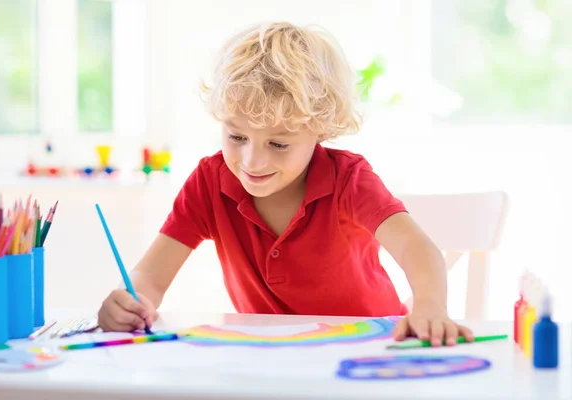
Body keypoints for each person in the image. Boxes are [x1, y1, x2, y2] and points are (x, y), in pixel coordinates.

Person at [98, 21, 474, 346]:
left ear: (320, 130)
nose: (252, 161)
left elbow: (416, 248)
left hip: (371, 349)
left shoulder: (348, 178)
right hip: (272, 361)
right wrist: (129, 299)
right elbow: (150, 275)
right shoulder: (210, 182)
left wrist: (429, 305)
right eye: (236, 137)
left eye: (278, 143)